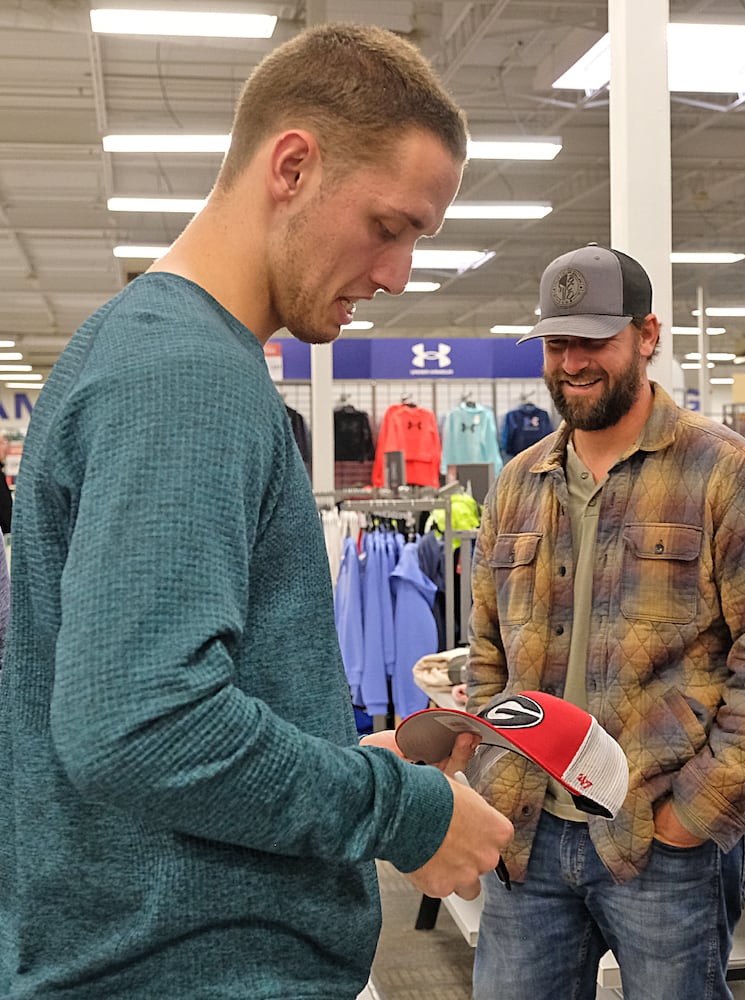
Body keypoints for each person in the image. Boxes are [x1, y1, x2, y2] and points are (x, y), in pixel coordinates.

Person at [0, 23, 512, 1000]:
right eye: (390, 224)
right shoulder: (183, 376)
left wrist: (320, 741)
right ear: (292, 165)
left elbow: (144, 695)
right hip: (189, 967)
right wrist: (403, 809)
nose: (398, 272)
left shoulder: (154, 352)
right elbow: (137, 725)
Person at [464, 243, 745, 1000]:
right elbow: (487, 653)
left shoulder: (728, 475)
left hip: (663, 843)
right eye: (558, 344)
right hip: (526, 838)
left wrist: (695, 813)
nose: (573, 362)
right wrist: (493, 772)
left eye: (595, 340)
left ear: (647, 335)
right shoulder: (517, 487)